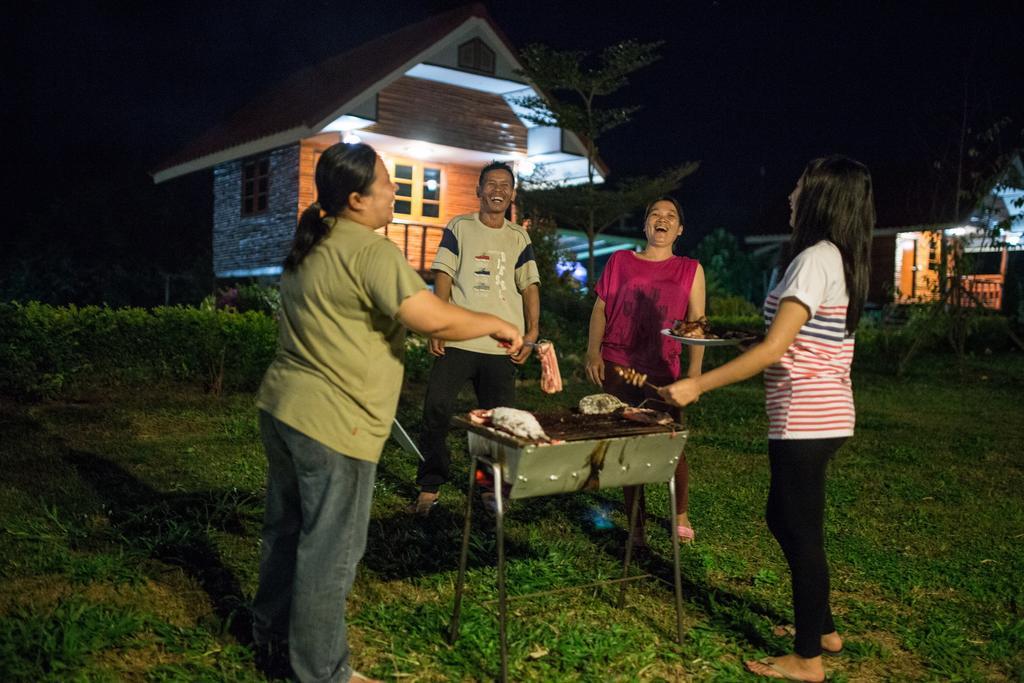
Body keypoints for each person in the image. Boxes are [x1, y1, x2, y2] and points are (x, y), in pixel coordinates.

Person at [251, 142, 523, 683]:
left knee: (286, 533)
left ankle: (271, 640)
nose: (395, 189)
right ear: (356, 198)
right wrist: (495, 323)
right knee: (330, 552)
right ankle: (323, 673)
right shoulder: (371, 251)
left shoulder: (312, 243)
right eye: (384, 181)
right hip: (336, 422)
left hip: (283, 410)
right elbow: (431, 318)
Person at [657, 155, 875, 682]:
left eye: (800, 185)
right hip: (824, 414)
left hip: (807, 416)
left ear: (821, 197)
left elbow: (778, 349)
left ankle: (808, 659)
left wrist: (696, 382)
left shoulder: (815, 259)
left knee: (799, 530)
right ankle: (821, 628)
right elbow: (794, 338)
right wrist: (738, 338)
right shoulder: (837, 258)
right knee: (788, 520)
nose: (791, 194)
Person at [410, 161, 541, 514]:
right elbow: (444, 276)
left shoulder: (519, 236)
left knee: (497, 422)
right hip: (458, 340)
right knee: (436, 409)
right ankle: (430, 485)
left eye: (505, 185)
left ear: (512, 195)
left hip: (502, 346)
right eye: (491, 184)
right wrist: (439, 323)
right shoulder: (460, 227)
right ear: (479, 190)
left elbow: (529, 286)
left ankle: (488, 486)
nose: (498, 190)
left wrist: (531, 332)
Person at [585, 196, 706, 545]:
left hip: (664, 368)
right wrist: (593, 353)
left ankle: (679, 512)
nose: (662, 219)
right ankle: (635, 523)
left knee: (671, 442)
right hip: (619, 363)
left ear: (679, 229)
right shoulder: (621, 261)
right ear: (645, 225)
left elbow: (697, 323)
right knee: (627, 444)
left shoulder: (690, 268)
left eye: (670, 216)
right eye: (655, 214)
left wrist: (694, 375)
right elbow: (599, 309)